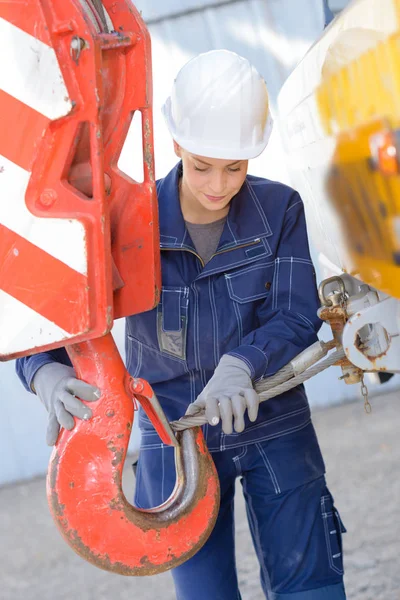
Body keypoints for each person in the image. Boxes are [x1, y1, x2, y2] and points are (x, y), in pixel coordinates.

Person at [16, 49, 346, 600]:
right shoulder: (122, 225)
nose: (219, 184)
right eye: (202, 165)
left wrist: (244, 364)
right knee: (202, 593)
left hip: (274, 422)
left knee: (309, 585)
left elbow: (295, 312)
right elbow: (48, 312)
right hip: (172, 437)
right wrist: (41, 372)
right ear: (174, 143)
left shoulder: (280, 209)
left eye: (235, 167)